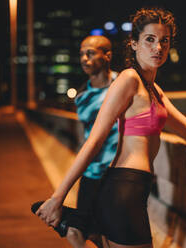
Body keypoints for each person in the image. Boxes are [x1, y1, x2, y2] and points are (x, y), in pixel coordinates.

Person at [35, 7, 186, 248]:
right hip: (123, 188)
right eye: (149, 40)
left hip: (136, 189)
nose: (158, 48)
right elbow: (94, 141)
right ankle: (70, 219)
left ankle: (74, 222)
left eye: (164, 41)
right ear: (133, 44)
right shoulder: (128, 80)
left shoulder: (155, 91)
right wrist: (58, 197)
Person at [68, 35, 119, 248]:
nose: (84, 59)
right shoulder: (81, 95)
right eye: (81, 54)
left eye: (90, 53)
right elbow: (85, 135)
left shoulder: (122, 84)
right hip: (91, 173)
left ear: (107, 55)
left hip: (116, 172)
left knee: (110, 234)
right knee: (77, 232)